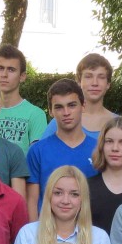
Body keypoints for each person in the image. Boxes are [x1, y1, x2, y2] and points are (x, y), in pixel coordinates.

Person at [26, 79, 99, 219]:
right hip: (47, 229)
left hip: (88, 228)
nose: (66, 112)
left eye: (72, 105)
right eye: (59, 107)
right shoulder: (37, 151)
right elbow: (32, 200)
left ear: (83, 106)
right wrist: (33, 230)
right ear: (51, 111)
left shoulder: (99, 149)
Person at [41, 53, 117, 138]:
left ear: (108, 84)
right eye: (88, 77)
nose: (95, 83)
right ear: (79, 82)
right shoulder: (60, 122)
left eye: (101, 77)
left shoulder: (119, 124)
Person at [0, 43, 48, 155]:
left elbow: (37, 158)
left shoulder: (35, 115)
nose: (4, 74)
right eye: (1, 68)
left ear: (22, 76)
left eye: (11, 70)